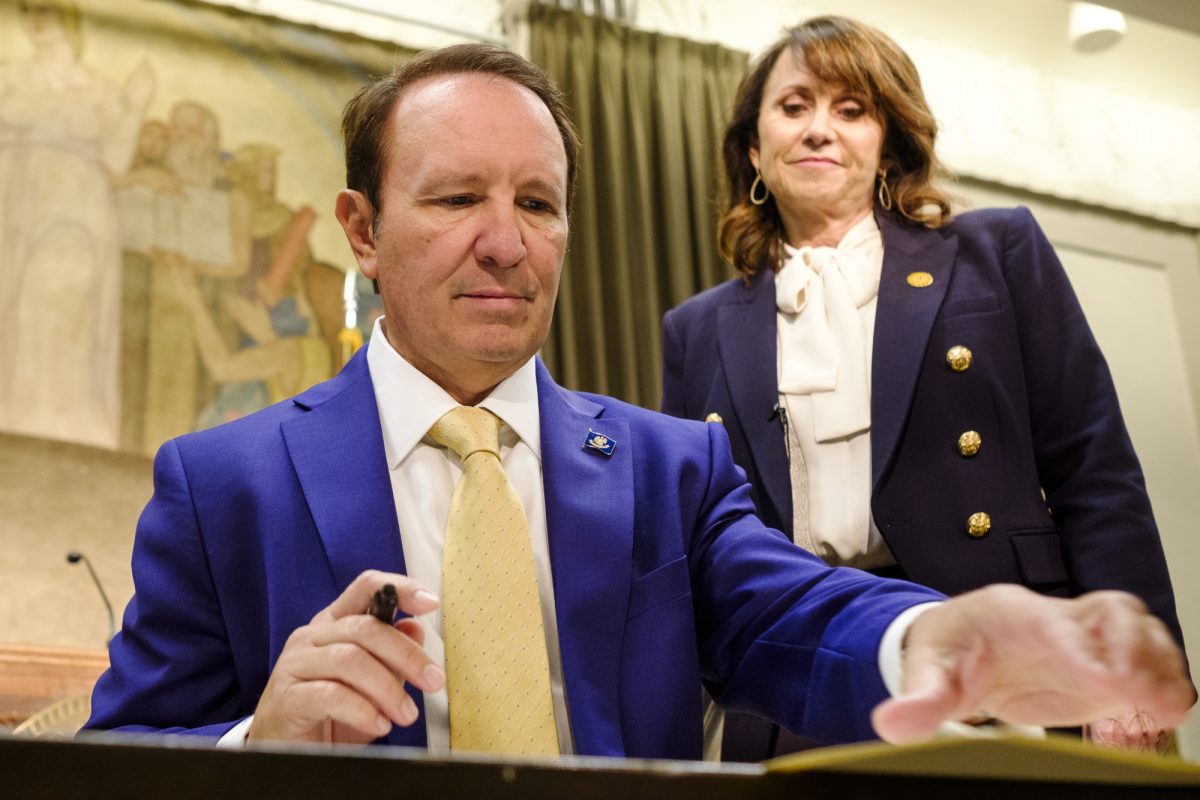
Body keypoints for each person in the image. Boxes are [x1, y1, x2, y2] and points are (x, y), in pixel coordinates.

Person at [84, 43, 1192, 759]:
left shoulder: (674, 468)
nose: (507, 243)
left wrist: (940, 633)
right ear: (363, 231)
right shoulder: (218, 483)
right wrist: (255, 742)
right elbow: (112, 761)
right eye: (459, 197)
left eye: (538, 203)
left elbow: (792, 615)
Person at [660, 16, 1191, 759]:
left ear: (887, 144)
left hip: (1006, 661)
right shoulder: (696, 328)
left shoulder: (995, 251)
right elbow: (698, 542)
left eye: (851, 110)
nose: (819, 129)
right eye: (794, 106)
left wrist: (1126, 680)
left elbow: (1093, 469)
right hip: (803, 683)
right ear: (754, 146)